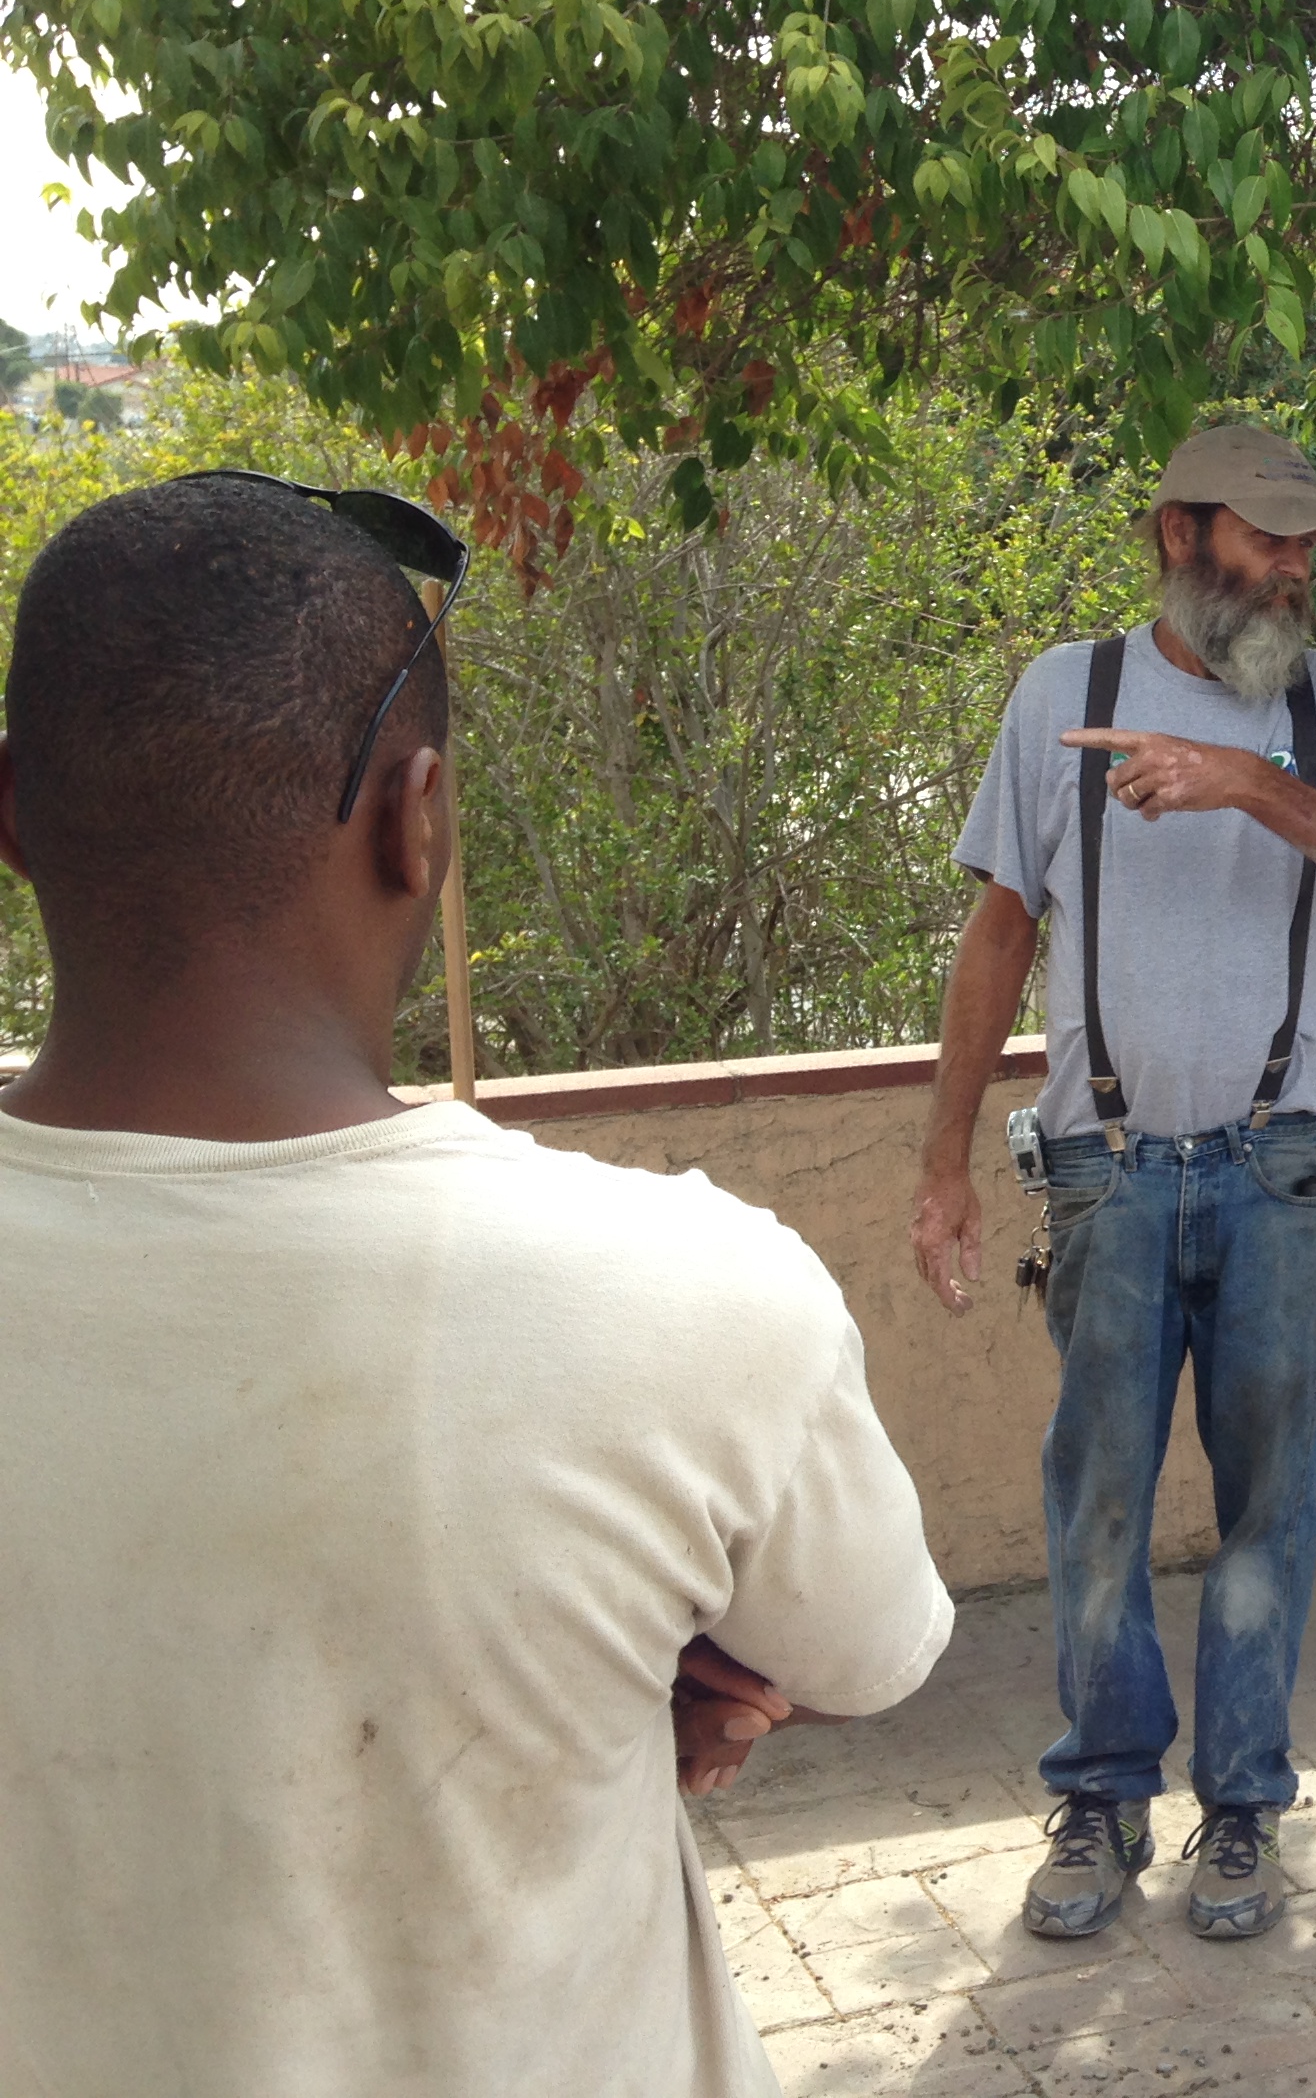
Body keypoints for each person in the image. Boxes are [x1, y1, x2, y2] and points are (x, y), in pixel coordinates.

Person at [0, 476, 953, 2098]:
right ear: (419, 820)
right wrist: (616, 1650)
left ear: (12, 814)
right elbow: (866, 1653)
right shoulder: (685, 1304)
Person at [911, 421, 1316, 1945]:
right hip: (1107, 1171)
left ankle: (1245, 1811)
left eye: (1307, 547)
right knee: (1097, 1508)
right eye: (1266, 540)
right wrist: (943, 1164)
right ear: (1176, 534)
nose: (1293, 571)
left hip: (1276, 1171)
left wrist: (1249, 784)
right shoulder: (1062, 693)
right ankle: (1100, 1795)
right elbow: (998, 937)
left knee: (1272, 1509)